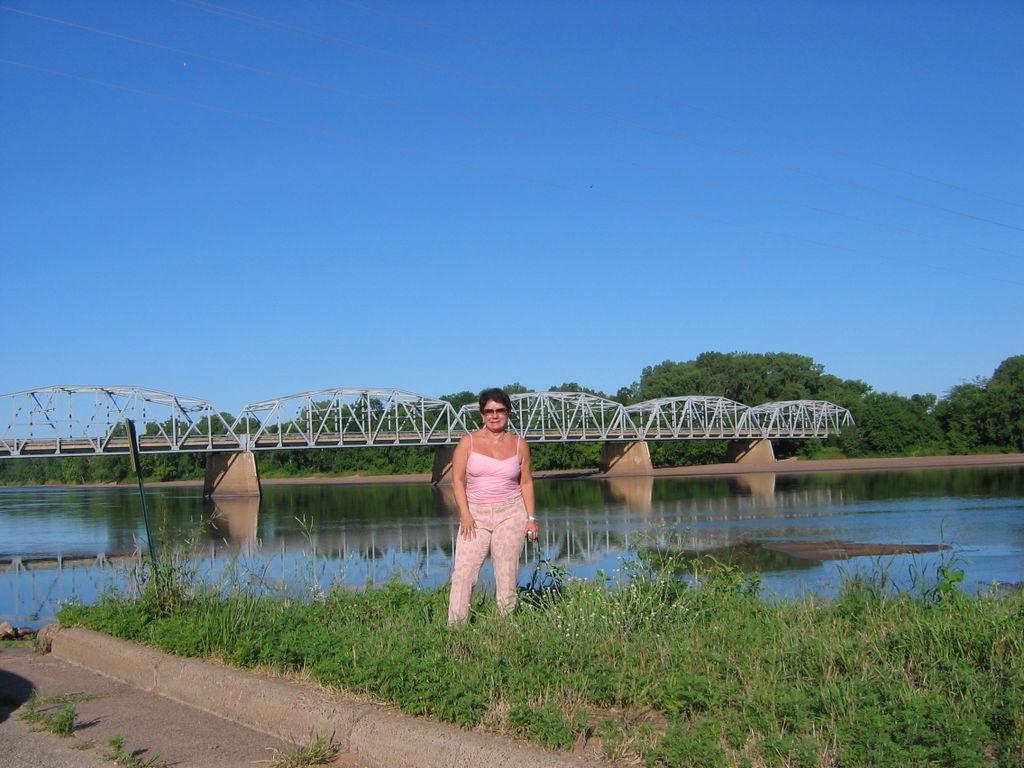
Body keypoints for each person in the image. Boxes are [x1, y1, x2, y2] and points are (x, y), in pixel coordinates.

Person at [447, 387, 539, 624]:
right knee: (464, 573)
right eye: (489, 411)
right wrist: (465, 515)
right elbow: (456, 480)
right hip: (475, 514)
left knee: (507, 573)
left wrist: (531, 519)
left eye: (500, 410)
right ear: (482, 414)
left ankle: (504, 627)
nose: (494, 415)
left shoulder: (520, 445)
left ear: (508, 413)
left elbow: (526, 482)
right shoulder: (468, 442)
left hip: (511, 513)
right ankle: (455, 628)